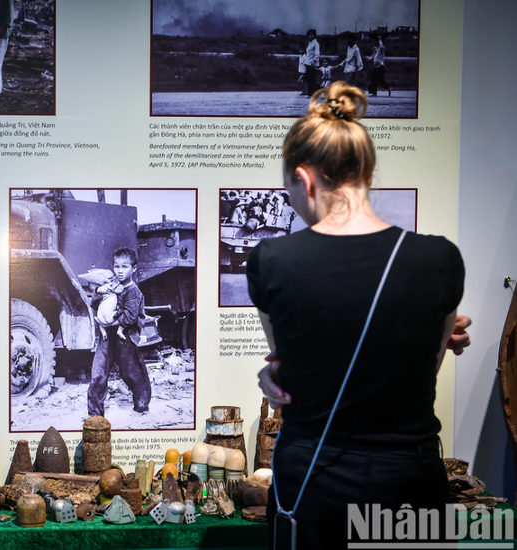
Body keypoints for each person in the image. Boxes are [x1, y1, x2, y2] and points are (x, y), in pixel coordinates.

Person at [246, 81, 466, 549]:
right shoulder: (440, 260)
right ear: (366, 174)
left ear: (304, 180)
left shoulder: (271, 261)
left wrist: (275, 376)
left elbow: (284, 371)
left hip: (314, 483)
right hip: (409, 481)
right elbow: (423, 372)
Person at [87, 247, 152, 417]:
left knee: (131, 373)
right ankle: (95, 414)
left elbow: (130, 318)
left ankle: (141, 404)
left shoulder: (134, 292)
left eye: (124, 267)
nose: (120, 271)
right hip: (107, 337)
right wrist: (97, 292)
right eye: (117, 266)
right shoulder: (110, 286)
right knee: (98, 373)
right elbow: (95, 304)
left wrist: (107, 321)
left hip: (126, 338)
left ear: (134, 268)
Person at [368, 32, 392, 97]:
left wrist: (380, 39)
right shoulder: (376, 50)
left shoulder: (381, 49)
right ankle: (376, 92)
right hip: (376, 66)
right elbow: (372, 57)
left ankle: (385, 88)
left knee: (377, 79)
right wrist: (368, 61)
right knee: (376, 79)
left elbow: (381, 46)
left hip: (380, 66)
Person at [305, 30, 320, 96]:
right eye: (309, 35)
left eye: (311, 35)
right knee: (307, 78)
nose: (310, 36)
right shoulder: (310, 43)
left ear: (314, 35)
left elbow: (317, 54)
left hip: (313, 64)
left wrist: (314, 62)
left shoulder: (316, 43)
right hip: (308, 63)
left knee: (311, 79)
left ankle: (312, 92)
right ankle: (312, 91)